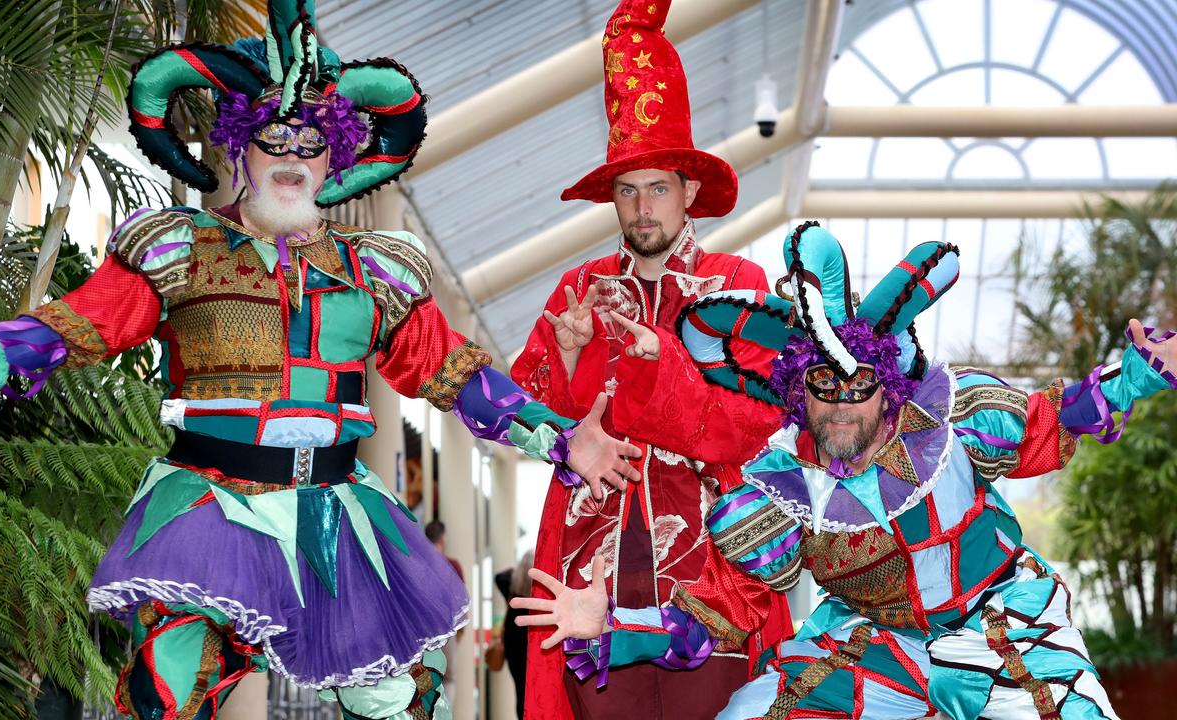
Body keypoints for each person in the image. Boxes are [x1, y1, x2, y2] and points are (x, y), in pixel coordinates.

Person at [0, 2, 642, 718]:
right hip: (209, 506)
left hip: (339, 512)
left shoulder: (375, 269)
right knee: (170, 684)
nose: (292, 160)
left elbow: (456, 373)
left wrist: (559, 436)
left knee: (399, 699)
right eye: (274, 143)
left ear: (334, 157)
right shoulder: (178, 248)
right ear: (239, 147)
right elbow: (76, 325)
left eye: (310, 145)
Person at [516, 222, 1171, 719]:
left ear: (887, 386)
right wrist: (614, 626)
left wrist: (1138, 373)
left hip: (1005, 618)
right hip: (872, 644)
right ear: (799, 393)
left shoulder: (953, 420)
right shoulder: (783, 490)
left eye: (856, 388)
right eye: (821, 388)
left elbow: (1051, 421)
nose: (837, 407)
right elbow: (718, 611)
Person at [510, 2, 793, 718]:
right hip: (589, 585)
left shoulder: (738, 287)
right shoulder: (578, 290)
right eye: (626, 191)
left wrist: (661, 360)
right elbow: (527, 420)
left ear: (690, 192)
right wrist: (568, 372)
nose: (641, 208)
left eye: (657, 188)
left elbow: (750, 427)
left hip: (712, 580)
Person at [494, 551, 536, 718]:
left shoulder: (511, 590)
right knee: (534, 689)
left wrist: (518, 569)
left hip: (514, 646)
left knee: (520, 688)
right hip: (533, 645)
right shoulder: (539, 596)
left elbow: (499, 577)